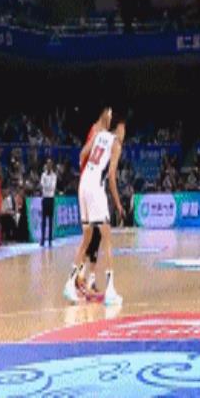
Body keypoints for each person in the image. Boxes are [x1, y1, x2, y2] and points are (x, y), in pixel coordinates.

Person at [63, 117, 125, 305]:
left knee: (86, 238)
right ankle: (110, 290)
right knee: (107, 238)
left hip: (84, 183)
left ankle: (70, 283)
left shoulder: (98, 135)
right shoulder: (116, 144)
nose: (124, 134)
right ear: (118, 128)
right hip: (96, 187)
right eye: (123, 129)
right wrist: (118, 204)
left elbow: (83, 153)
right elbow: (111, 177)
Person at [76, 107, 112, 294]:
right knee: (91, 237)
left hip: (91, 185)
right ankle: (81, 277)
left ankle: (87, 278)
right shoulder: (98, 132)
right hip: (91, 187)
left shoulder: (98, 132)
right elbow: (84, 154)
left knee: (93, 238)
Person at [40, 159, 57, 247]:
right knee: (43, 220)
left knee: (50, 220)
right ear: (46, 165)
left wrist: (46, 186)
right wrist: (47, 186)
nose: (49, 165)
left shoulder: (54, 176)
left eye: (50, 164)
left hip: (51, 199)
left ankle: (50, 240)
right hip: (45, 198)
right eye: (47, 164)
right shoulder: (43, 175)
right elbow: (42, 185)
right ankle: (42, 239)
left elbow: (52, 187)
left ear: (52, 165)